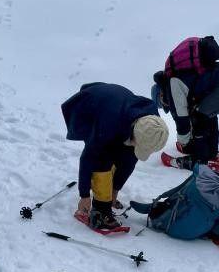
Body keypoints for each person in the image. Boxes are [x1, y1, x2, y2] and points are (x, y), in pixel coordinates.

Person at [61, 82, 169, 231]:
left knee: (126, 154)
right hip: (90, 105)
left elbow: (130, 160)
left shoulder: (153, 124)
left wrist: (115, 190)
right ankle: (100, 211)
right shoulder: (107, 124)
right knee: (102, 158)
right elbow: (88, 158)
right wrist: (84, 195)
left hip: (121, 112)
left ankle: (107, 194)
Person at [151, 43, 219, 169]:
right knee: (206, 114)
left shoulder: (172, 85)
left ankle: (200, 160)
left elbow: (181, 119)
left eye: (164, 103)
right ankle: (211, 153)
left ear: (161, 95)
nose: (168, 104)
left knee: (199, 117)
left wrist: (184, 144)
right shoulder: (178, 78)